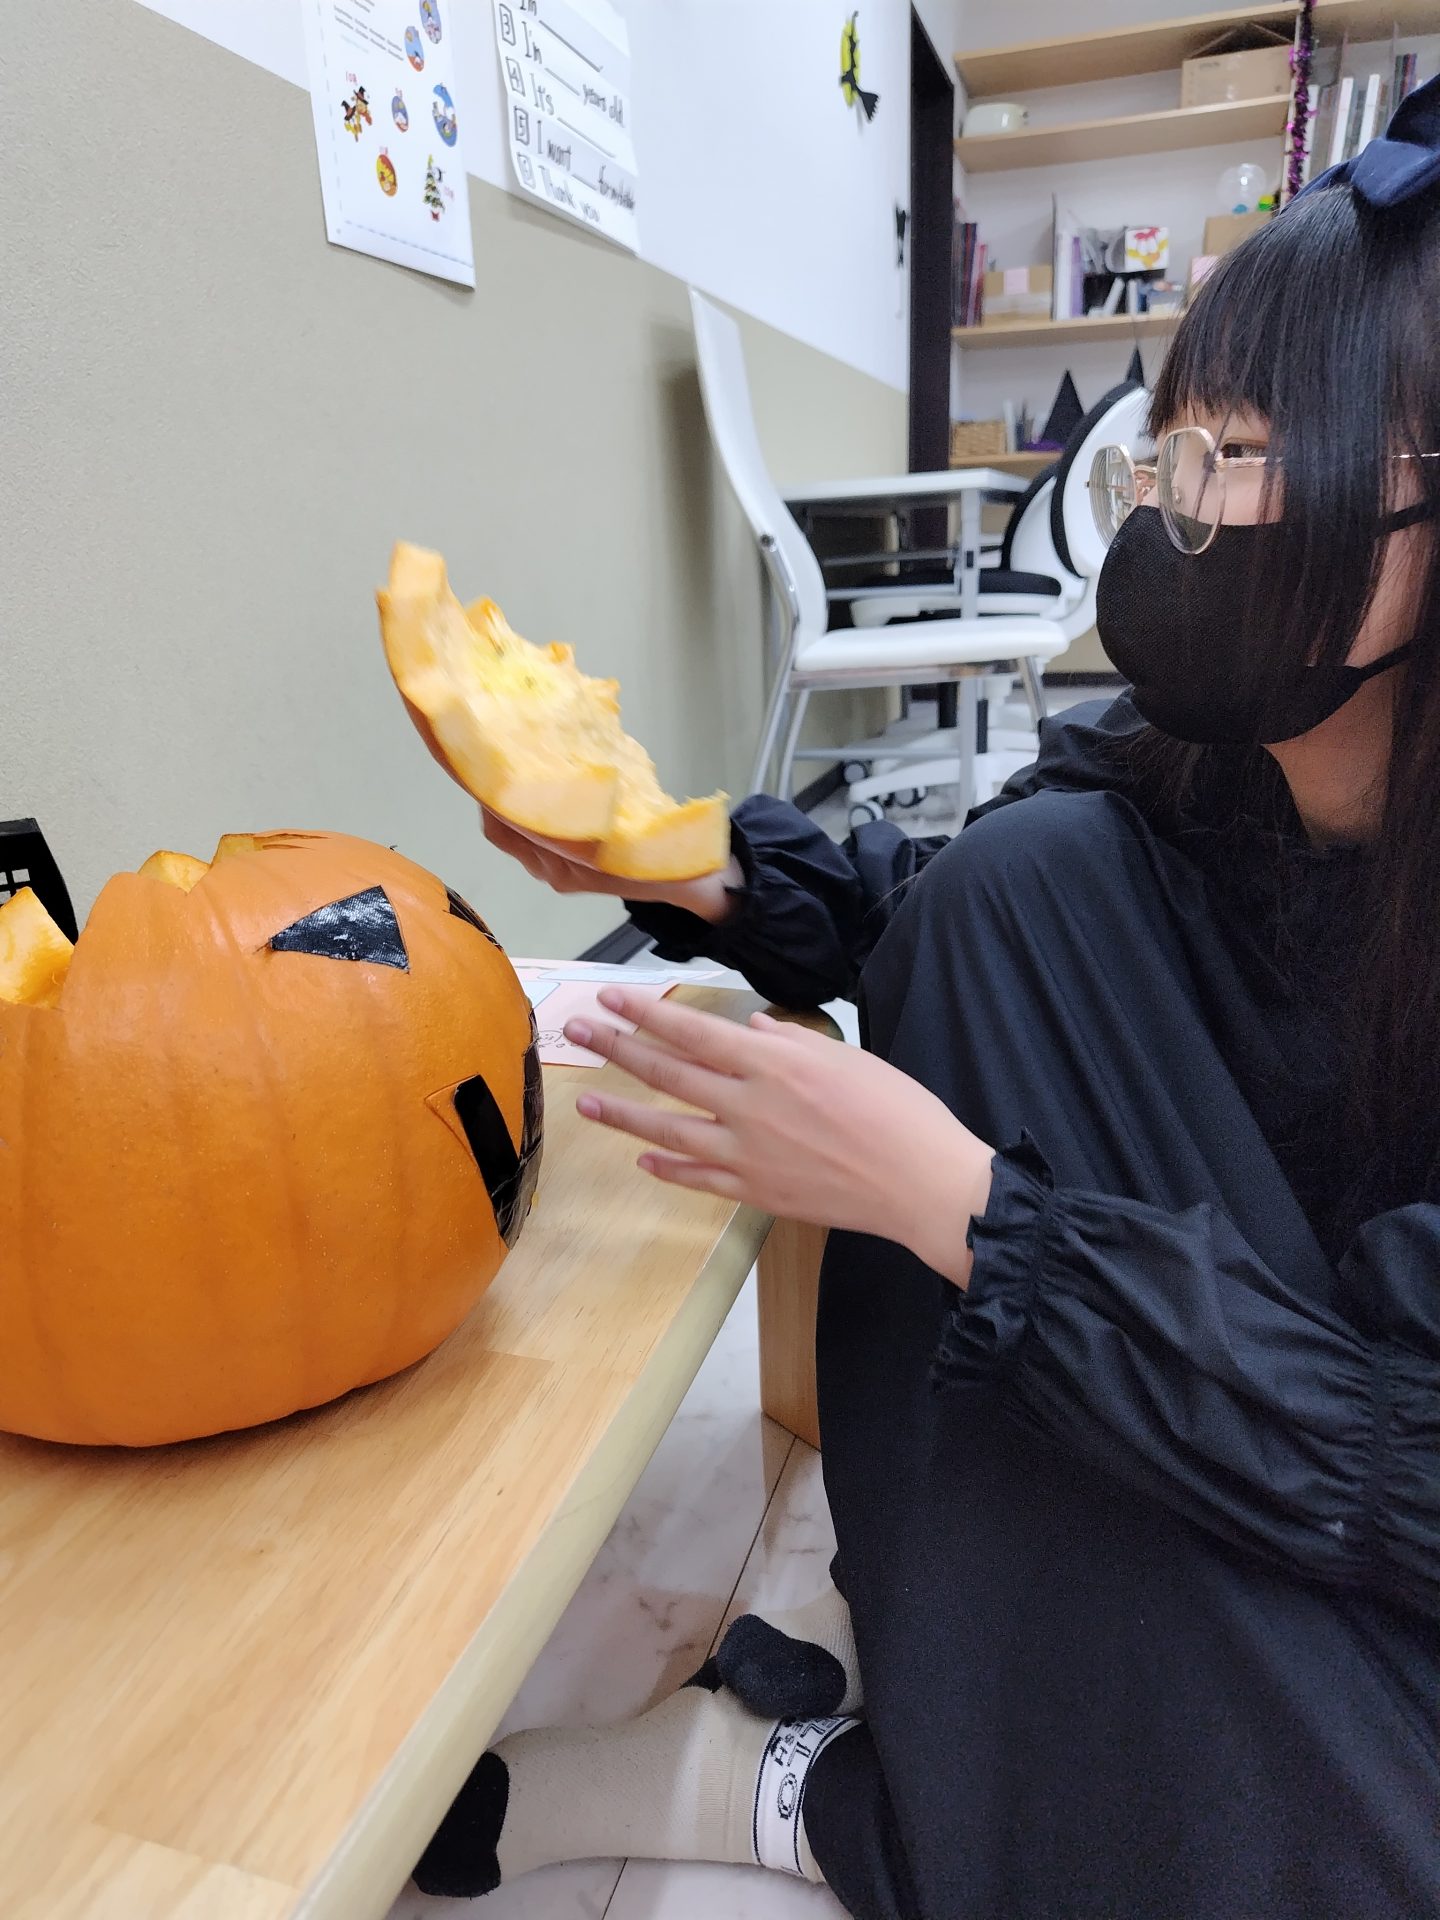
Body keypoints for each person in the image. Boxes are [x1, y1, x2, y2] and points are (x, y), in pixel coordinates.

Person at [414, 85, 1440, 1920]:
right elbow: (960, 926)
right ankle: (937, 1708)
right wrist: (707, 875)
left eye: (1250, 456)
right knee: (1020, 876)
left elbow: (1402, 1465)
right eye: (1177, 452)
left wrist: (966, 1211)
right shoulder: (1206, 781)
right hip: (1243, 1368)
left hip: (1379, 1491)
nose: (1185, 513)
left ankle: (830, 1791)